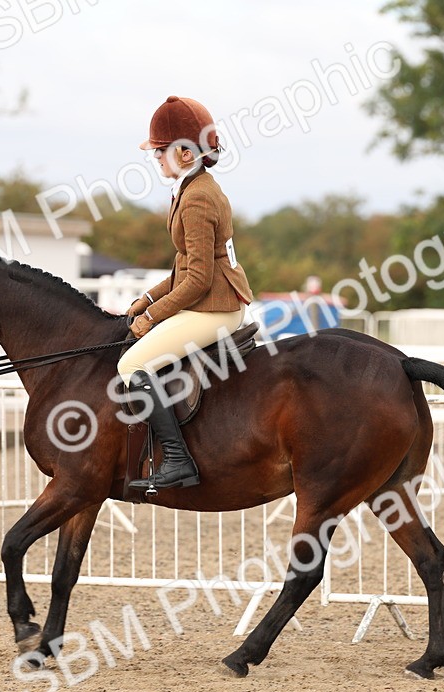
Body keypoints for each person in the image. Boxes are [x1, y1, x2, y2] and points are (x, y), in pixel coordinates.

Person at [121, 96, 254, 493]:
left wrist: (151, 317)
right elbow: (185, 264)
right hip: (212, 299)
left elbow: (197, 280)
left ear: (183, 152)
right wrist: (147, 298)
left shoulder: (197, 197)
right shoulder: (192, 187)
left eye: (159, 151)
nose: (155, 158)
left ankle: (178, 460)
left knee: (131, 366)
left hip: (215, 307)